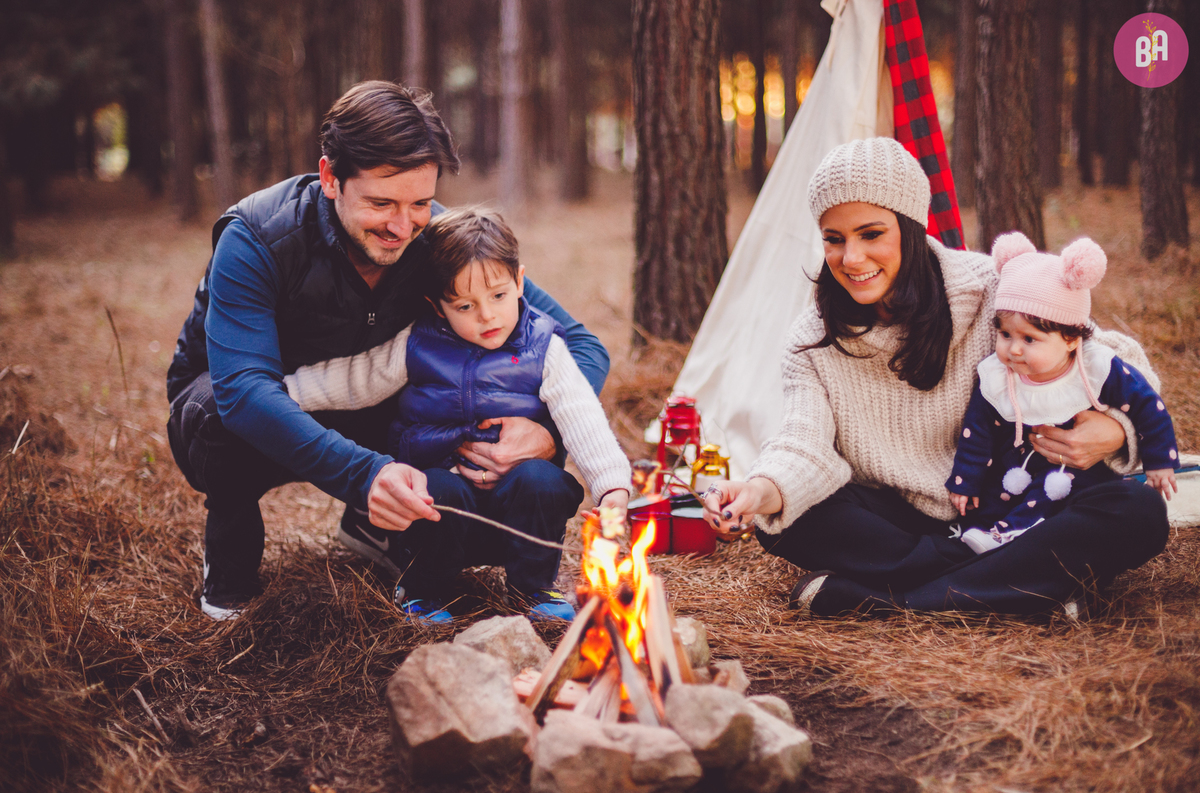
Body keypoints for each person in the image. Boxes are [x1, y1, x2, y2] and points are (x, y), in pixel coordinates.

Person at [165, 82, 609, 621]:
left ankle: (375, 526)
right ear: (330, 178)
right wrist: (365, 474)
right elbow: (243, 392)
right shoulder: (255, 238)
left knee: (437, 385)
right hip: (247, 412)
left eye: (419, 202)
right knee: (221, 410)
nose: (403, 227)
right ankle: (230, 572)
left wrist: (546, 427)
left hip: (374, 398)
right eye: (381, 203)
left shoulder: (438, 236)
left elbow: (575, 343)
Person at [701, 137, 1169, 619]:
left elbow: (1117, 359)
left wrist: (1114, 428)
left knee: (1140, 510)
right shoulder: (812, 339)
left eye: (870, 234)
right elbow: (803, 442)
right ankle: (1024, 584)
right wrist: (757, 491)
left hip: (1014, 504)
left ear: (909, 227)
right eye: (834, 239)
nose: (852, 258)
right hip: (907, 519)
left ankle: (891, 602)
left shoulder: (992, 287)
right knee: (787, 519)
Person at [283, 207, 632, 622]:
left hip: (515, 508)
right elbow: (356, 379)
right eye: (465, 306)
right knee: (433, 489)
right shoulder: (418, 343)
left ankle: (532, 590)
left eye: (499, 296)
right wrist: (283, 391)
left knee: (545, 481)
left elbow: (581, 414)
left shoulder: (544, 347)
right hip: (443, 505)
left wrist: (612, 487)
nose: (487, 316)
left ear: (520, 282)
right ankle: (423, 594)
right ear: (437, 306)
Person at [947, 232, 1180, 554]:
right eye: (1004, 334)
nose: (1013, 349)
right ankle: (980, 533)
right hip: (1016, 462)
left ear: (1071, 339)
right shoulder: (997, 376)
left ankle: (1014, 533)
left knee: (1059, 490)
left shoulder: (1097, 367)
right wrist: (965, 480)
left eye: (1029, 339)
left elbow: (1148, 407)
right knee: (994, 492)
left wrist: (1160, 462)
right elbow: (977, 431)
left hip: (1075, 470)